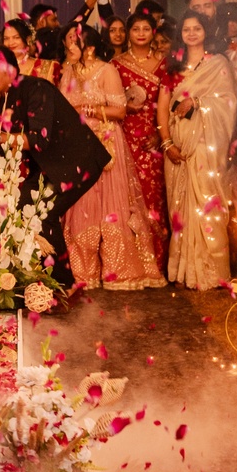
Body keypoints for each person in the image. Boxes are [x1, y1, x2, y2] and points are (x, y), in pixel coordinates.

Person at [0, 46, 111, 285]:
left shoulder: (37, 88)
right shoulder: (4, 98)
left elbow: (39, 140)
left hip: (76, 162)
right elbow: (8, 146)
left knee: (42, 215)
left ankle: (62, 286)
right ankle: (40, 282)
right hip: (49, 167)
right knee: (23, 210)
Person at [59, 25, 163, 292]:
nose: (68, 46)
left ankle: (118, 271)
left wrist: (88, 109)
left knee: (110, 206)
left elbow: (119, 111)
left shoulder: (107, 71)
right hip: (78, 143)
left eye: (73, 41)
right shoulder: (68, 71)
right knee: (81, 205)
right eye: (68, 41)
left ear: (90, 47)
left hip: (105, 142)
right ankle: (83, 272)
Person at [158, 12, 235, 291]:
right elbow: (162, 108)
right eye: (186, 29)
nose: (191, 33)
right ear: (180, 34)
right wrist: (167, 144)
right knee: (181, 209)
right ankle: (184, 271)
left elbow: (228, 103)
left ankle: (211, 272)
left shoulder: (218, 64)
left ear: (205, 32)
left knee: (206, 202)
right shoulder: (172, 68)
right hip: (177, 148)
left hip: (205, 146)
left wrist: (198, 103)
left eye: (197, 28)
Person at [118, 10, 170, 268]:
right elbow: (111, 101)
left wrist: (160, 134)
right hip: (124, 138)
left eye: (146, 29)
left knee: (154, 196)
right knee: (125, 198)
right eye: (136, 29)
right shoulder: (116, 65)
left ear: (153, 32)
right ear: (128, 33)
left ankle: (156, 262)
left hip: (154, 139)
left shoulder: (165, 64)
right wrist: (125, 107)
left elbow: (169, 106)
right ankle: (132, 264)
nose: (140, 33)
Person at [2, 16, 58, 84]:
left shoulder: (46, 67)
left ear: (28, 39)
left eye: (16, 37)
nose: (10, 43)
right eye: (6, 38)